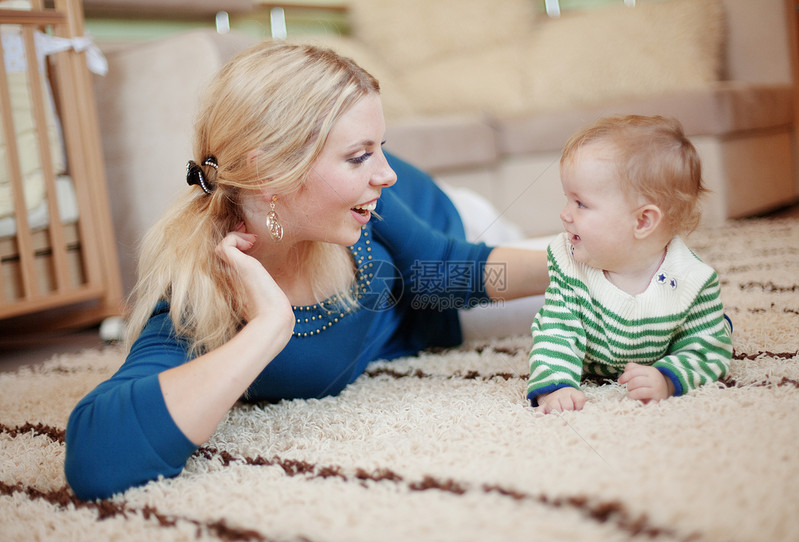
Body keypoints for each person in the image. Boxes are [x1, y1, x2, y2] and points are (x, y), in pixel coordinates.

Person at [65, 41, 549, 500]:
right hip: (427, 311)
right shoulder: (207, 294)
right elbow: (97, 459)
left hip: (459, 228)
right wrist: (268, 328)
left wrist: (572, 260)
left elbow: (444, 272)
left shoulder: (368, 201)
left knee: (604, 271)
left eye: (380, 147)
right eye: (359, 156)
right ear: (269, 173)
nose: (386, 172)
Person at [527, 115, 733, 414]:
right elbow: (556, 332)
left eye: (580, 203)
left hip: (661, 350)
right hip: (593, 356)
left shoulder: (692, 280)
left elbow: (708, 351)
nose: (565, 214)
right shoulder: (569, 265)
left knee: (716, 332)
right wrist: (556, 385)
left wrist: (666, 379)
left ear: (642, 221)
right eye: (567, 199)